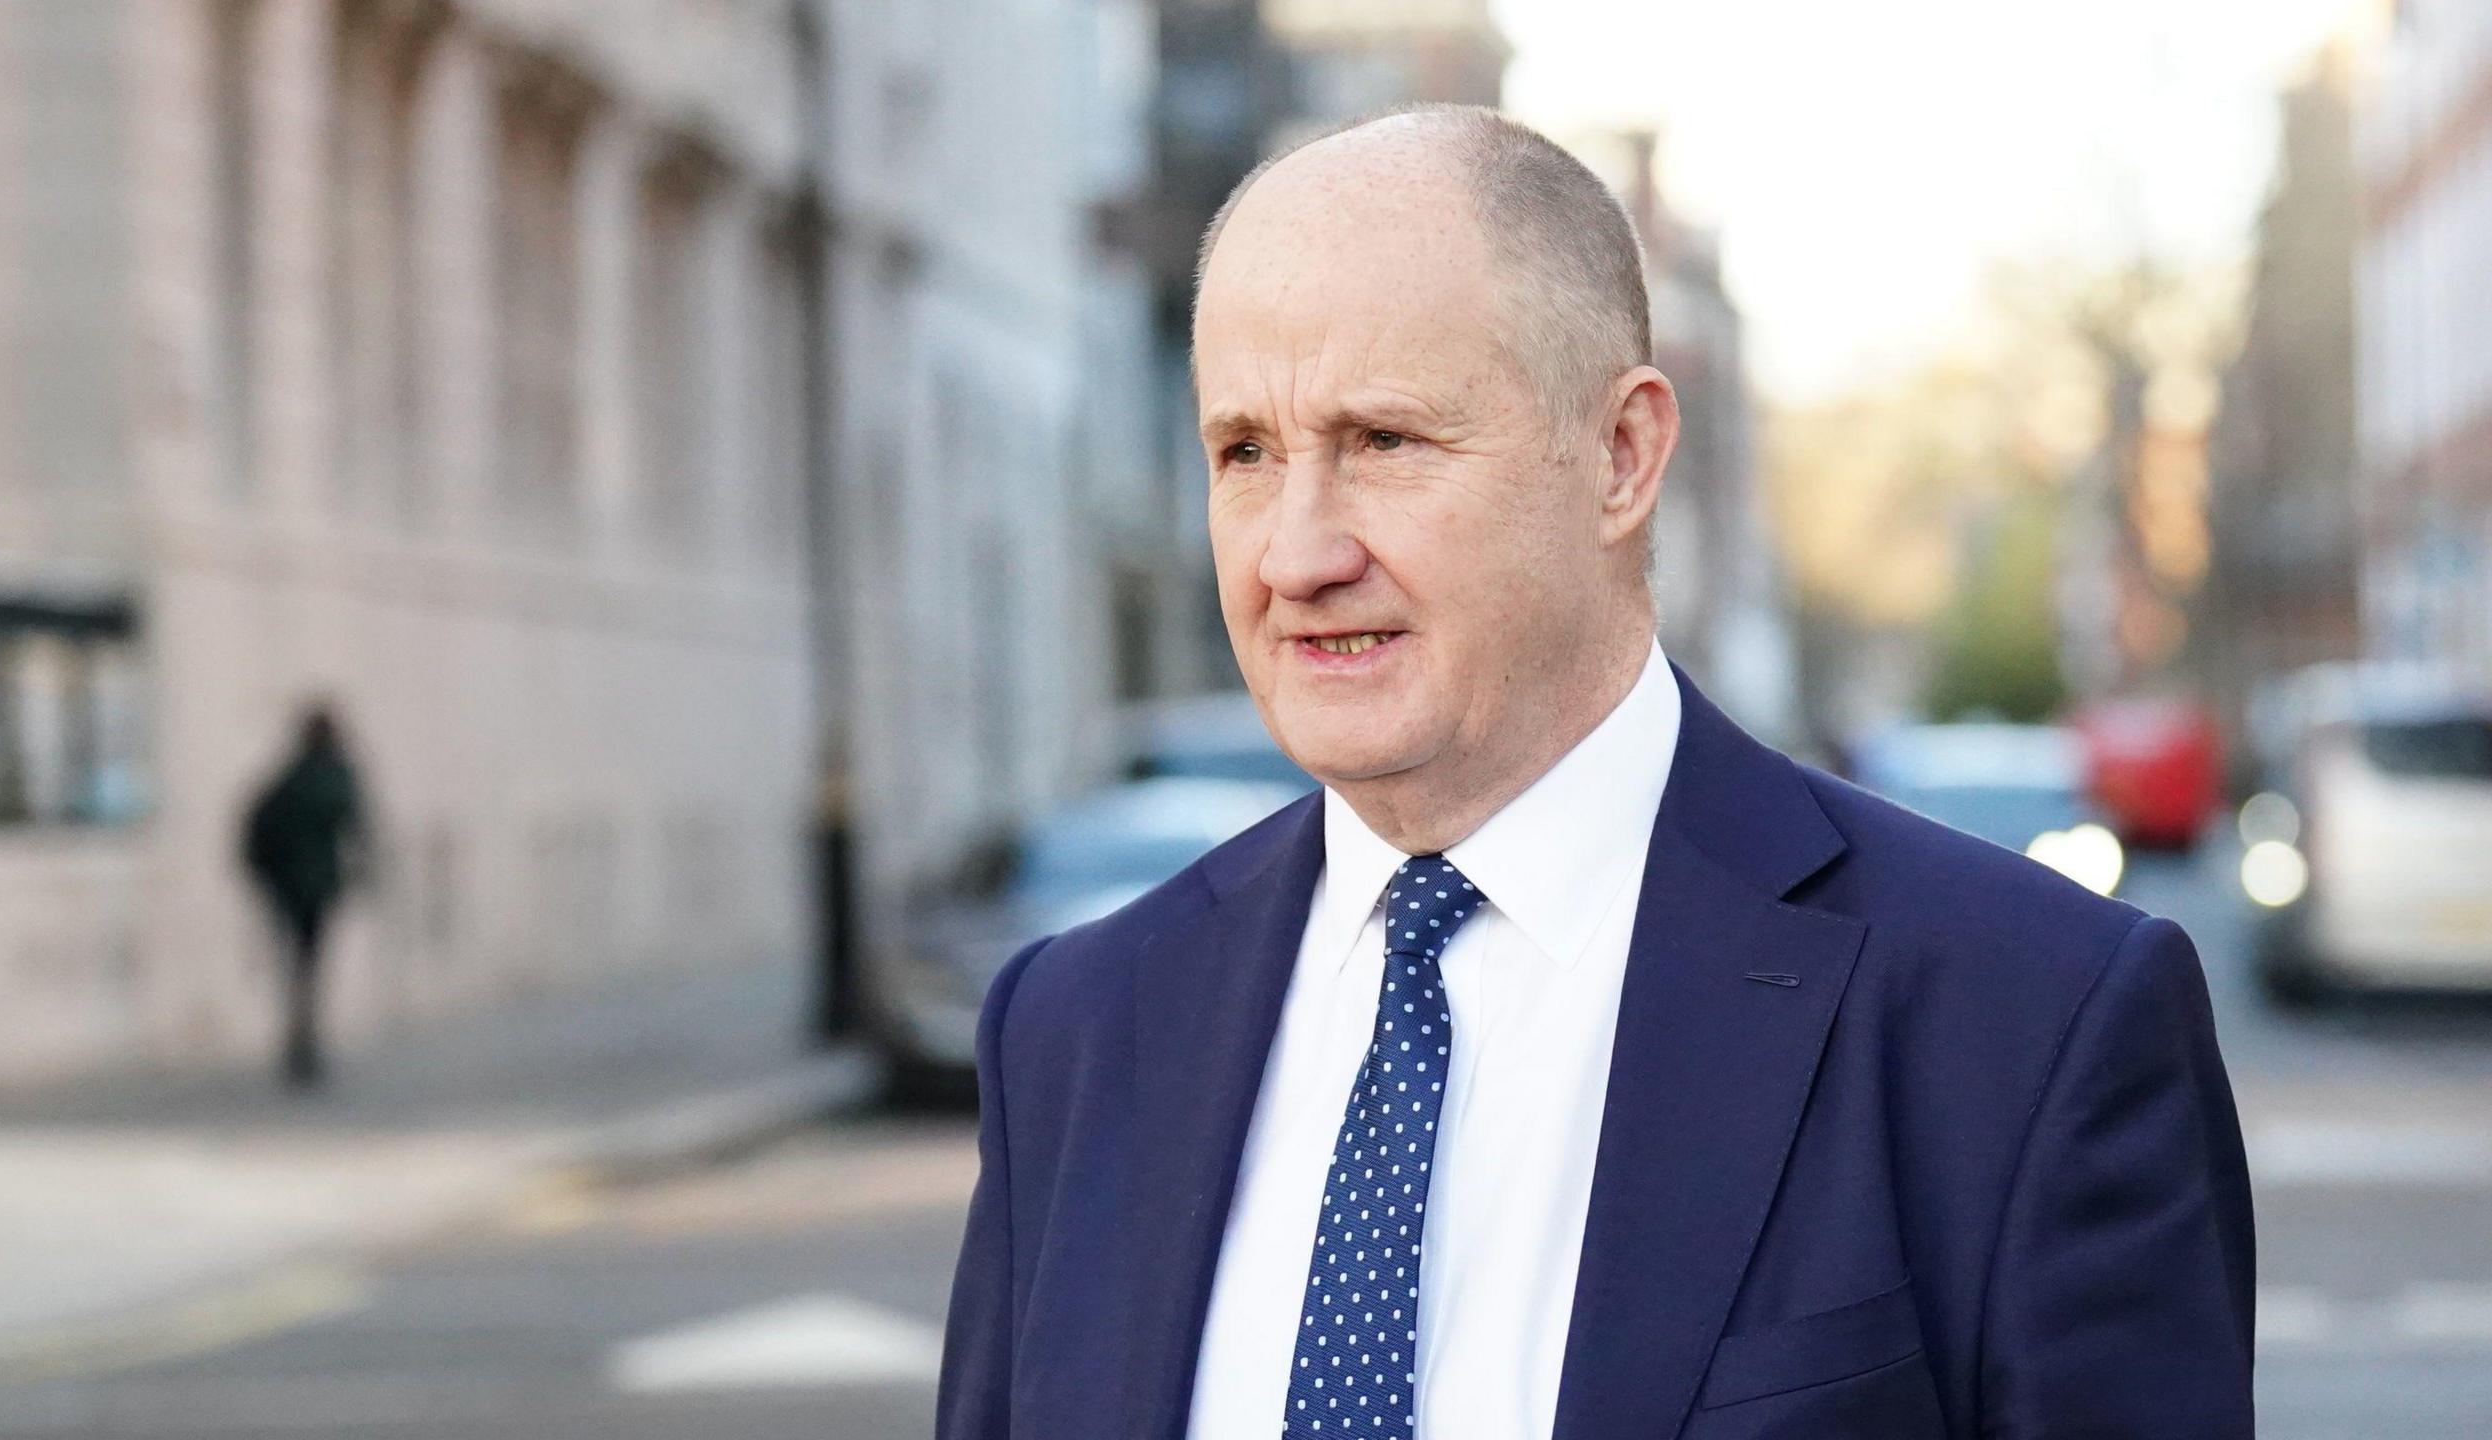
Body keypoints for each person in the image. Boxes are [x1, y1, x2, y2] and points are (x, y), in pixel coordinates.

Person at [936, 104, 2253, 1439]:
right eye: (1247, 455)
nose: (1295, 555)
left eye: (1384, 442)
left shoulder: (2028, 1019)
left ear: (1622, 457)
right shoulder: (1078, 1029)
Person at [239, 702, 372, 1090]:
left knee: (300, 965)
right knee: (306, 965)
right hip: (307, 886)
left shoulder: (293, 777)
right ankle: (303, 1042)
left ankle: (302, 1040)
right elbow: (353, 821)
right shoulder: (325, 776)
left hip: (294, 886)